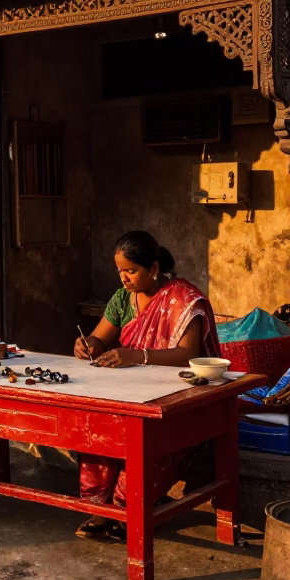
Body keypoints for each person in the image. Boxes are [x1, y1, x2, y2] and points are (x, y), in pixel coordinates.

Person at [71, 230, 221, 542]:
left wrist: (135, 356)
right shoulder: (122, 298)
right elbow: (100, 338)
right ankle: (100, 511)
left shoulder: (182, 299)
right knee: (98, 432)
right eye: (120, 271)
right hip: (129, 392)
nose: (124, 278)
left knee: (147, 444)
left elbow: (188, 354)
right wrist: (88, 345)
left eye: (131, 271)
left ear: (154, 269)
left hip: (174, 396)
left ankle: (128, 510)